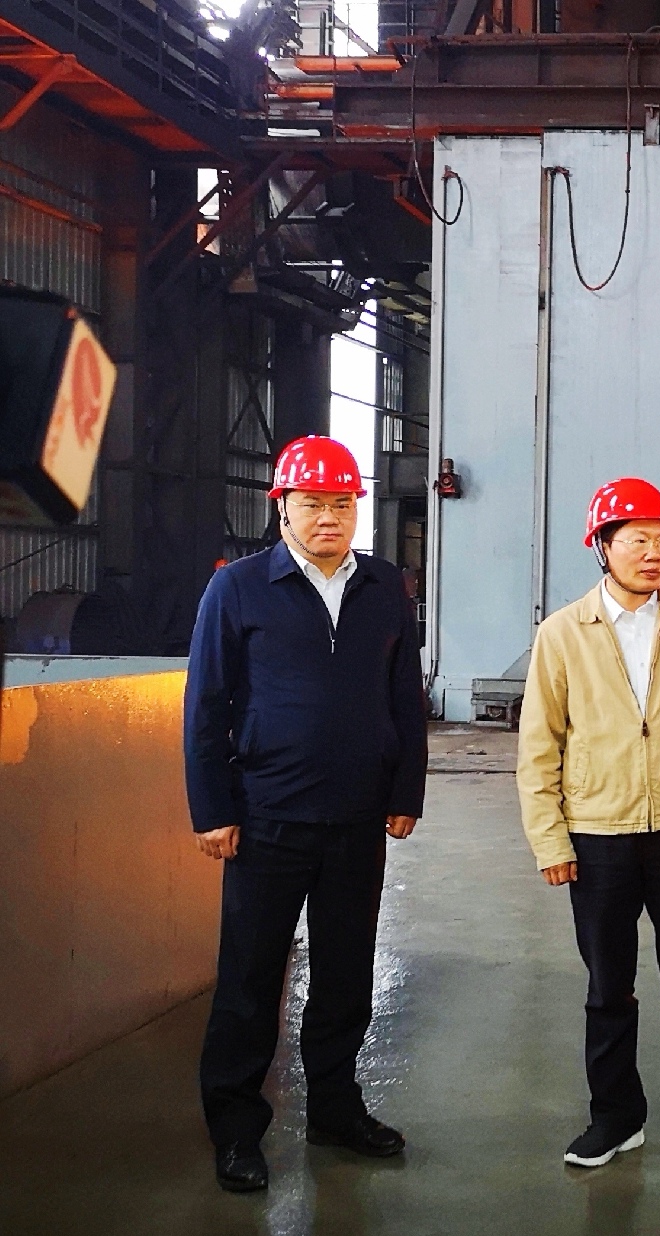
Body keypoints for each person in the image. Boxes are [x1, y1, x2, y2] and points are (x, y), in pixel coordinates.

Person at [185, 434, 427, 1195]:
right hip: (267, 817)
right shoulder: (239, 588)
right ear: (281, 508)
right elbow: (206, 704)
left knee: (347, 974)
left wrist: (405, 791)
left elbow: (404, 696)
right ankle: (235, 1129)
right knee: (251, 979)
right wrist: (212, 808)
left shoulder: (384, 586)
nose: (330, 517)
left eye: (343, 503)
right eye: (314, 503)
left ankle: (335, 1108)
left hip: (358, 816)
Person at [517, 477, 660, 1180]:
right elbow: (539, 746)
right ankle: (615, 1118)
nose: (654, 553)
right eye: (637, 540)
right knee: (607, 987)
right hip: (598, 835)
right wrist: (550, 839)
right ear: (602, 547)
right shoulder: (563, 634)